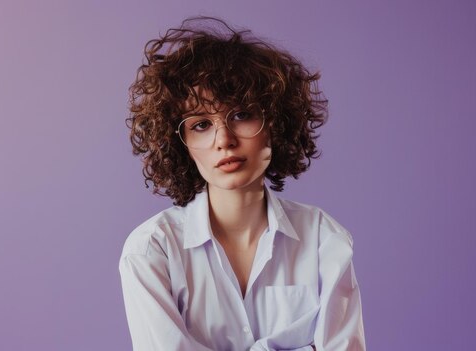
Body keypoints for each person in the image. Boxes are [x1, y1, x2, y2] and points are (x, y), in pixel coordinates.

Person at [120, 16, 365, 351]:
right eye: (202, 124)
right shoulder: (151, 251)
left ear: (275, 125)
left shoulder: (324, 240)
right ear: (181, 143)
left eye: (241, 115)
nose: (224, 140)